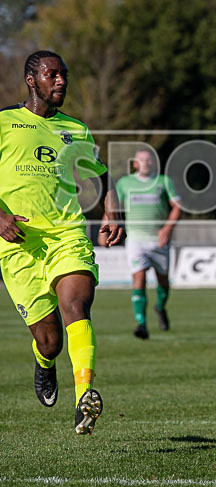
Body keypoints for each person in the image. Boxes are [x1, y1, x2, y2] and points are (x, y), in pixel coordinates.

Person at [0, 50, 124, 434]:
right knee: (50, 341)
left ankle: (84, 397)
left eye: (64, 74)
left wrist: (112, 210)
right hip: (19, 243)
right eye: (51, 74)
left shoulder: (76, 129)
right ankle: (44, 361)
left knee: (76, 304)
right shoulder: (4, 123)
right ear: (31, 80)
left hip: (66, 233)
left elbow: (100, 176)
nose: (60, 81)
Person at [111, 149, 182, 338]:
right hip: (135, 240)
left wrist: (167, 228)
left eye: (149, 159)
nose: (146, 162)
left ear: (154, 163)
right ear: (135, 163)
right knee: (139, 278)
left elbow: (177, 207)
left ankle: (160, 306)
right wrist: (106, 225)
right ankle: (141, 324)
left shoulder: (163, 181)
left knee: (163, 282)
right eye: (142, 160)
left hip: (159, 241)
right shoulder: (125, 183)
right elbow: (112, 207)